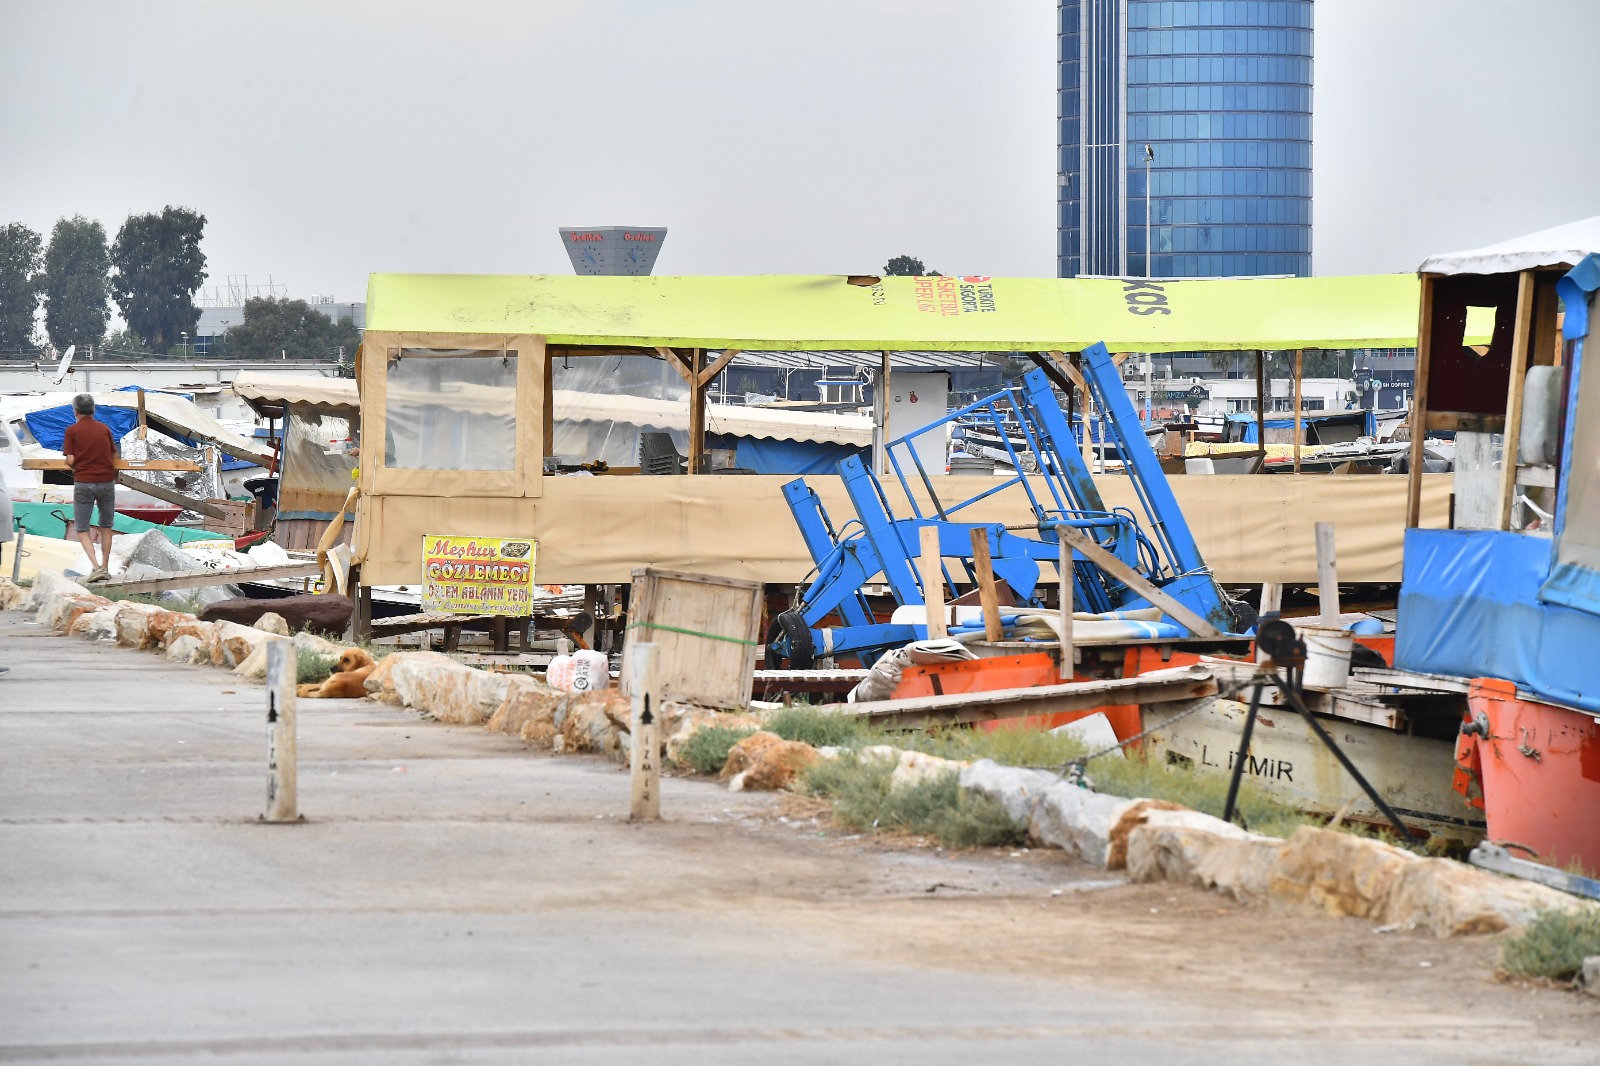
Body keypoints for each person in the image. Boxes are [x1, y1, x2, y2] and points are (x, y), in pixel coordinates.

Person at [61, 393, 118, 582]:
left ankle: (95, 567)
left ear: (75, 411)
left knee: (82, 526)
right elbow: (113, 456)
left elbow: (70, 459)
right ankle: (105, 566)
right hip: (107, 481)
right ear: (92, 410)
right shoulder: (104, 429)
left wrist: (77, 462)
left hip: (84, 482)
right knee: (106, 525)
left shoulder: (72, 431)